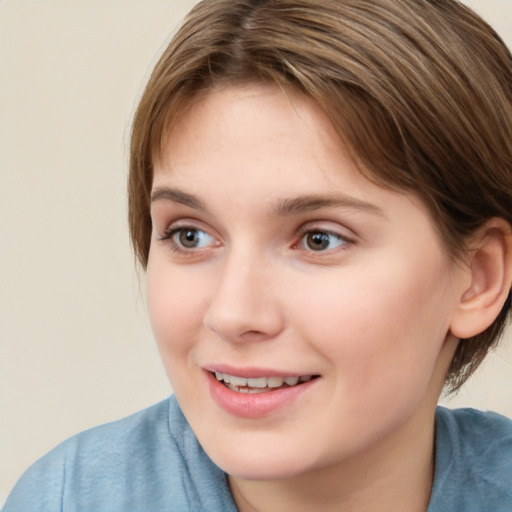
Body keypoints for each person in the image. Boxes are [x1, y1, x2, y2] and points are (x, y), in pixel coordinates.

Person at [4, 0, 512, 510]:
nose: (232, 314)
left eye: (319, 239)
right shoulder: (67, 498)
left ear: (478, 277)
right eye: (190, 236)